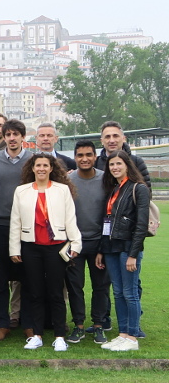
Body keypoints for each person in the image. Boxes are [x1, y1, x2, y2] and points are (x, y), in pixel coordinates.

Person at [10, 154, 81, 351]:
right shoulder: (21, 191)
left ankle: (59, 336)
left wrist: (76, 244)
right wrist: (14, 249)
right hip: (30, 246)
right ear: (32, 168)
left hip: (56, 247)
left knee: (56, 292)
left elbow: (70, 218)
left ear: (51, 168)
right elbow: (15, 221)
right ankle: (37, 335)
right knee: (35, 292)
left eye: (45, 165)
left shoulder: (62, 190)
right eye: (38, 165)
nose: (41, 168)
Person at [96, 151, 149, 351]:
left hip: (128, 248)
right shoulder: (113, 189)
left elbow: (141, 224)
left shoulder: (138, 188)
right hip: (111, 247)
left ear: (127, 165)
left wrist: (133, 254)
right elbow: (107, 222)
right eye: (111, 165)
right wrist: (102, 249)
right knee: (118, 292)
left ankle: (133, 336)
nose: (115, 167)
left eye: (118, 164)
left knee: (130, 292)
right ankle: (123, 333)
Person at [0, 119, 28, 341]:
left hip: (26, 227)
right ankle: (2, 324)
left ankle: (28, 323)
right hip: (0, 225)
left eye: (15, 134)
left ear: (23, 137)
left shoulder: (34, 160)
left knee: (28, 277)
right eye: (8, 134)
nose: (11, 138)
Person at [66, 141, 111, 344]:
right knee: (75, 286)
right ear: (75, 157)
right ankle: (79, 325)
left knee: (101, 286)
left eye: (88, 155)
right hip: (75, 244)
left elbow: (109, 214)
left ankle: (99, 325)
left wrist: (104, 245)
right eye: (80, 155)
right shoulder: (67, 180)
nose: (84, 159)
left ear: (95, 157)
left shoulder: (106, 180)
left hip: (99, 243)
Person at [95, 121, 151, 186]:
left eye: (115, 136)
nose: (112, 141)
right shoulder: (95, 164)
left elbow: (146, 191)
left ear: (123, 139)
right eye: (107, 137)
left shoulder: (136, 162)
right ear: (102, 141)